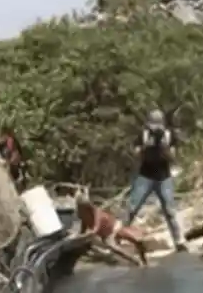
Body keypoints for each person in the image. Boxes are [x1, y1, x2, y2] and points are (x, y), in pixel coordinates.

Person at [124, 109, 187, 252]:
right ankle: (119, 234)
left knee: (170, 210)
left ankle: (179, 241)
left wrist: (164, 147)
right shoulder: (144, 135)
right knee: (132, 208)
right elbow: (135, 153)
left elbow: (173, 158)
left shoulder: (169, 135)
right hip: (145, 176)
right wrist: (147, 146)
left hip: (164, 177)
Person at [76, 197, 149, 265]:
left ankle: (143, 259)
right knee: (112, 246)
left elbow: (95, 229)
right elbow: (83, 231)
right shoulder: (83, 217)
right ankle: (135, 261)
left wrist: (84, 235)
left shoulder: (96, 213)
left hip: (115, 227)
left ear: (86, 208)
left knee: (135, 240)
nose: (79, 211)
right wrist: (79, 237)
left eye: (80, 208)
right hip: (107, 236)